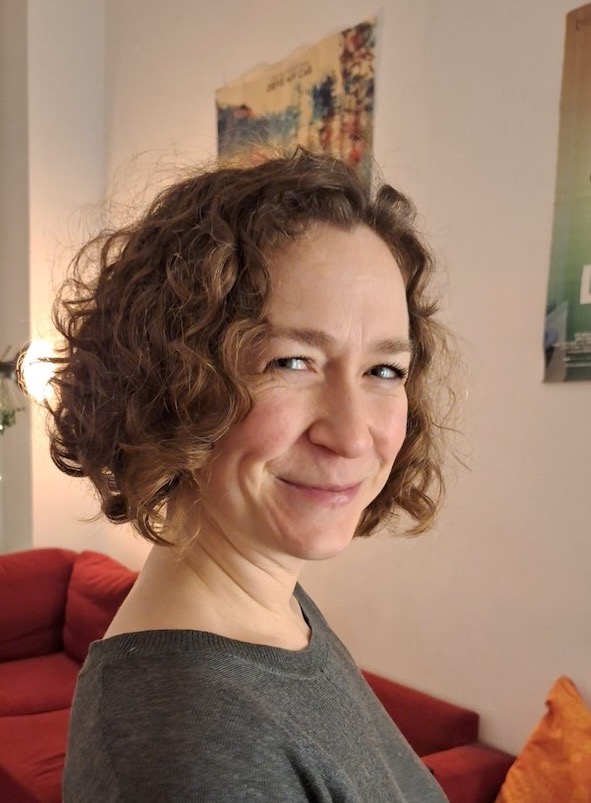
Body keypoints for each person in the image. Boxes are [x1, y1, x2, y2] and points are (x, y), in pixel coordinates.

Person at [50, 150, 451, 802]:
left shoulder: (275, 607)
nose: (351, 434)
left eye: (383, 371)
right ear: (171, 385)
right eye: (291, 361)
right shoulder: (192, 754)